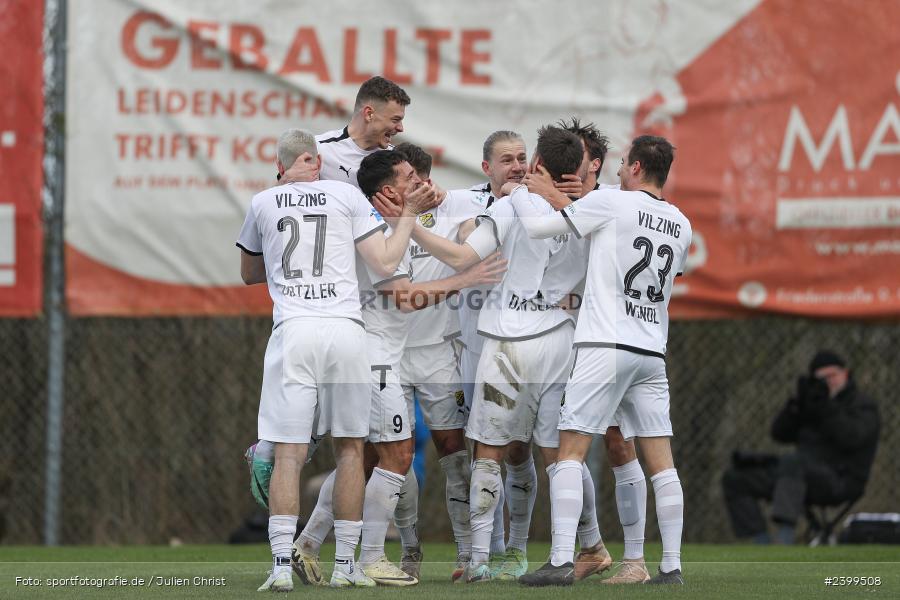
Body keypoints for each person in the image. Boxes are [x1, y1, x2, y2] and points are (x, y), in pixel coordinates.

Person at [290, 151, 505, 587]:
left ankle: (311, 543)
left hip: (400, 352)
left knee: (388, 454)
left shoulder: (412, 216)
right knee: (393, 455)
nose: (422, 182)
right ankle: (370, 556)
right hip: (375, 355)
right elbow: (405, 298)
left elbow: (469, 231)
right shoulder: (379, 228)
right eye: (410, 177)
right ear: (390, 190)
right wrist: (466, 280)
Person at [236, 129, 436, 591]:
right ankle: (347, 565)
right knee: (350, 450)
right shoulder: (345, 194)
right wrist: (407, 214)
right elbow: (385, 262)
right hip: (347, 332)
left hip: (294, 331)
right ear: (314, 160)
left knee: (289, 454)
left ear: (281, 166)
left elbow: (249, 272)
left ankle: (282, 568)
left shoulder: (263, 201)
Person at [511, 135, 692, 586]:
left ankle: (559, 561)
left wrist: (537, 192)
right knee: (662, 462)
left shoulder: (616, 204)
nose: (616, 172)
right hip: (652, 351)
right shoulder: (681, 223)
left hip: (605, 344)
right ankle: (670, 567)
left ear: (633, 168)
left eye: (622, 165)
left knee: (569, 451)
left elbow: (548, 226)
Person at [524, 118, 650, 583]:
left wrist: (563, 200)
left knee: (618, 443)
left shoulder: (614, 203)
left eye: (576, 159)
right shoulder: (554, 201)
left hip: (610, 339)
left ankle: (634, 558)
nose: (566, 168)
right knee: (557, 448)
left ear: (593, 163)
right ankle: (590, 547)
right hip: (562, 338)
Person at [722, 350, 880, 544]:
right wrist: (796, 405)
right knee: (735, 478)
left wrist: (825, 407)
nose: (829, 381)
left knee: (794, 462)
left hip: (840, 480)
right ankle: (761, 544)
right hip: (795, 477)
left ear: (845, 373)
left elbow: (852, 438)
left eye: (833, 375)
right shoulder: (810, 403)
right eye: (822, 378)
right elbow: (778, 434)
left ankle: (784, 540)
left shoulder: (863, 405)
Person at [314, 76, 410, 187]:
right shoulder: (319, 149)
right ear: (369, 114)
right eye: (395, 120)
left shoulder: (400, 161)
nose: (400, 128)